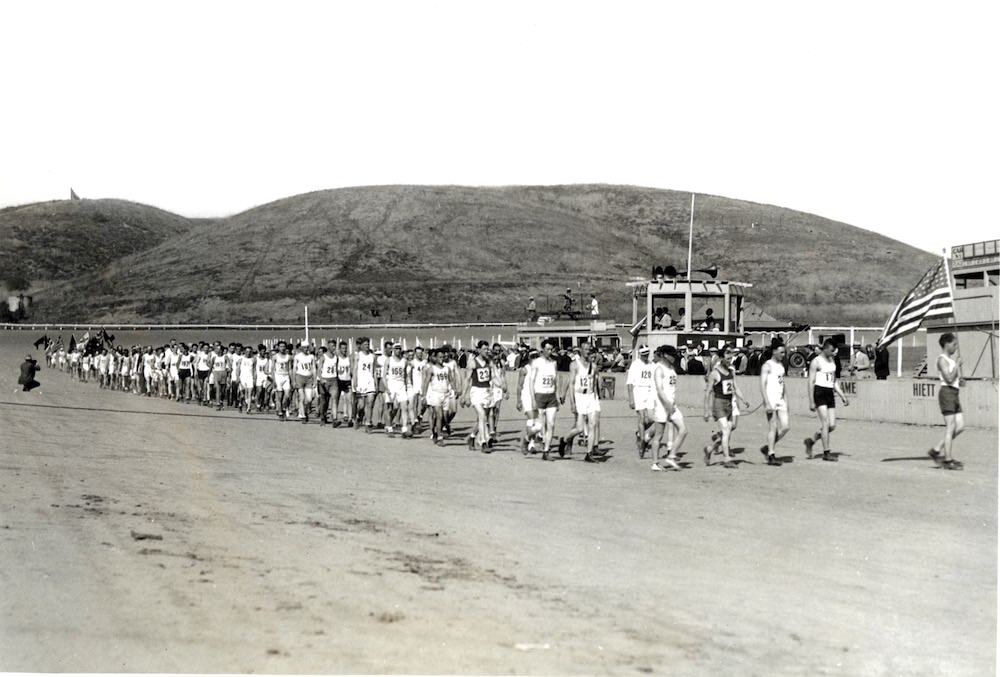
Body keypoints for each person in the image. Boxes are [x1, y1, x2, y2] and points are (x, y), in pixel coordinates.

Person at [702, 345, 749, 468]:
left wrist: (743, 399)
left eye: (731, 356)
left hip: (729, 404)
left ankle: (709, 449)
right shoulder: (715, 373)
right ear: (721, 357)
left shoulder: (731, 372)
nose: (729, 359)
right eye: (727, 356)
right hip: (719, 404)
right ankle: (727, 459)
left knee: (727, 431)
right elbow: (707, 392)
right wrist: (706, 410)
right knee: (726, 430)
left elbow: (735, 387)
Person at [805, 339, 850, 462]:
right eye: (831, 350)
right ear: (825, 348)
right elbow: (810, 382)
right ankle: (826, 452)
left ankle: (812, 441)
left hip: (829, 392)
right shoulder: (816, 362)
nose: (833, 352)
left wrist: (843, 396)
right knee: (825, 423)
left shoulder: (832, 361)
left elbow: (834, 381)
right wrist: (811, 401)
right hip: (819, 392)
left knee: (832, 425)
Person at [558, 344, 603, 462]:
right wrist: (572, 402)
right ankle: (564, 440)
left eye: (590, 350)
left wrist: (596, 396)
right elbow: (571, 383)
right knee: (579, 428)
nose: (588, 352)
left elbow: (594, 382)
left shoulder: (593, 366)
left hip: (591, 396)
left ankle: (589, 453)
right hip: (579, 396)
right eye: (586, 349)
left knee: (593, 424)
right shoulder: (574, 365)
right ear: (581, 351)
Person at [928, 332, 965, 470]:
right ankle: (947, 460)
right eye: (954, 344)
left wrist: (959, 380)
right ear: (947, 344)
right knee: (950, 427)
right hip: (947, 393)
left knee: (960, 426)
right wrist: (957, 366)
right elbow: (948, 378)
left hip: (954, 392)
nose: (956, 347)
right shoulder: (942, 359)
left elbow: (953, 379)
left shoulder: (950, 360)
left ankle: (937, 449)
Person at [649, 346, 685, 471]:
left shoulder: (672, 368)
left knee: (683, 430)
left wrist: (672, 404)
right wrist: (667, 405)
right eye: (671, 355)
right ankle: (655, 462)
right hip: (662, 406)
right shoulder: (659, 369)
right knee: (659, 435)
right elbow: (660, 390)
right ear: (664, 355)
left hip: (672, 405)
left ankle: (671, 455)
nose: (673, 357)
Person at [528, 339, 560, 460]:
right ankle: (528, 438)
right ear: (542, 350)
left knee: (551, 424)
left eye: (551, 349)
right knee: (539, 426)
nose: (550, 352)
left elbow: (555, 381)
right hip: (539, 395)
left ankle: (546, 451)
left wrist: (557, 398)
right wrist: (533, 399)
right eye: (547, 349)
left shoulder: (553, 363)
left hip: (551, 396)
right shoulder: (536, 362)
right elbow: (531, 381)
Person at [759, 342, 789, 467]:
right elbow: (762, 385)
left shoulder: (781, 366)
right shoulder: (767, 366)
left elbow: (783, 384)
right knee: (773, 427)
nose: (783, 354)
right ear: (774, 351)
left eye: (784, 352)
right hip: (770, 399)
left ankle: (768, 447)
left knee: (786, 427)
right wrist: (766, 402)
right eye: (781, 352)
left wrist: (786, 400)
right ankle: (771, 454)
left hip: (780, 399)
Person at [462, 340, 494, 451]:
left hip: (486, 392)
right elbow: (467, 379)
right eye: (484, 349)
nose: (487, 351)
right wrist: (464, 395)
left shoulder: (489, 362)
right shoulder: (473, 363)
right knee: (482, 416)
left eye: (487, 349)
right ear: (479, 350)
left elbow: (493, 376)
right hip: (476, 392)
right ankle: (484, 442)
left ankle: (472, 437)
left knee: (482, 418)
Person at [626, 345, 655, 457]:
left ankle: (639, 433)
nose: (645, 356)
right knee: (641, 418)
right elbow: (629, 383)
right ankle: (642, 442)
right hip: (639, 391)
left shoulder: (652, 365)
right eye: (643, 354)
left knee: (652, 418)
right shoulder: (635, 365)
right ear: (640, 354)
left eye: (647, 353)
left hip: (650, 392)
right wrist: (631, 399)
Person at [422, 349, 455, 446]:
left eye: (443, 357)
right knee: (439, 415)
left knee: (444, 416)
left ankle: (436, 432)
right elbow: (426, 382)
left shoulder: (446, 369)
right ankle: (439, 437)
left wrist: (454, 389)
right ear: (435, 358)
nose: (442, 359)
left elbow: (451, 380)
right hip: (435, 394)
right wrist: (424, 396)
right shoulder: (431, 369)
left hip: (445, 394)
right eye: (439, 357)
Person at [515, 348, 541, 454]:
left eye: (537, 357)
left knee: (538, 422)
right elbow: (519, 386)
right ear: (529, 357)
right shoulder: (524, 369)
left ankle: (529, 440)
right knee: (531, 419)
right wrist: (518, 400)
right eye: (533, 357)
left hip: (538, 396)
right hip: (527, 396)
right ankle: (531, 444)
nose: (535, 359)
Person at [352, 338, 378, 432]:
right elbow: (355, 369)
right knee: (361, 405)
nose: (367, 346)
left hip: (370, 381)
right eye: (365, 344)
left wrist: (375, 382)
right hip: (361, 381)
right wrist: (355, 381)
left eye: (368, 344)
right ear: (361, 345)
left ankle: (368, 423)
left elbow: (374, 371)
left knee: (370, 402)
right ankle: (358, 417)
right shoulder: (358, 355)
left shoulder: (373, 356)